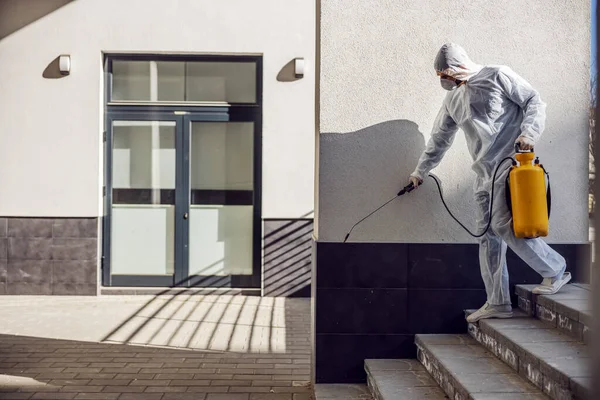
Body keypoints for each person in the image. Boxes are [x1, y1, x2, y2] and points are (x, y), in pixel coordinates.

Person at [408, 43, 571, 323]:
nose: (443, 81)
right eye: (440, 76)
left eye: (445, 74)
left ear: (458, 67)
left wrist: (529, 133)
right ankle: (498, 301)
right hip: (483, 172)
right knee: (487, 237)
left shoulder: (497, 75)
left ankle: (556, 269)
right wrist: (420, 171)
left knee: (501, 225)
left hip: (510, 165)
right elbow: (439, 138)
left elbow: (533, 101)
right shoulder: (452, 100)